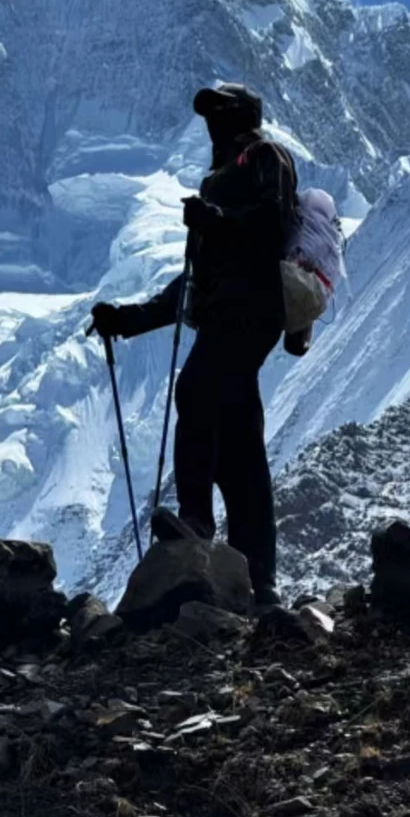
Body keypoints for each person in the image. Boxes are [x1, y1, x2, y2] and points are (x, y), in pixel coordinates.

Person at [91, 83, 298, 609]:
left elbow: (273, 222)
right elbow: (193, 282)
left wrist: (218, 222)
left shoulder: (266, 157)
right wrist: (128, 320)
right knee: (240, 449)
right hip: (228, 317)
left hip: (252, 310)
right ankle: (261, 584)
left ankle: (197, 521)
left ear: (242, 117)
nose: (211, 124)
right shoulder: (214, 184)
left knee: (197, 389)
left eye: (220, 114)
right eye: (209, 116)